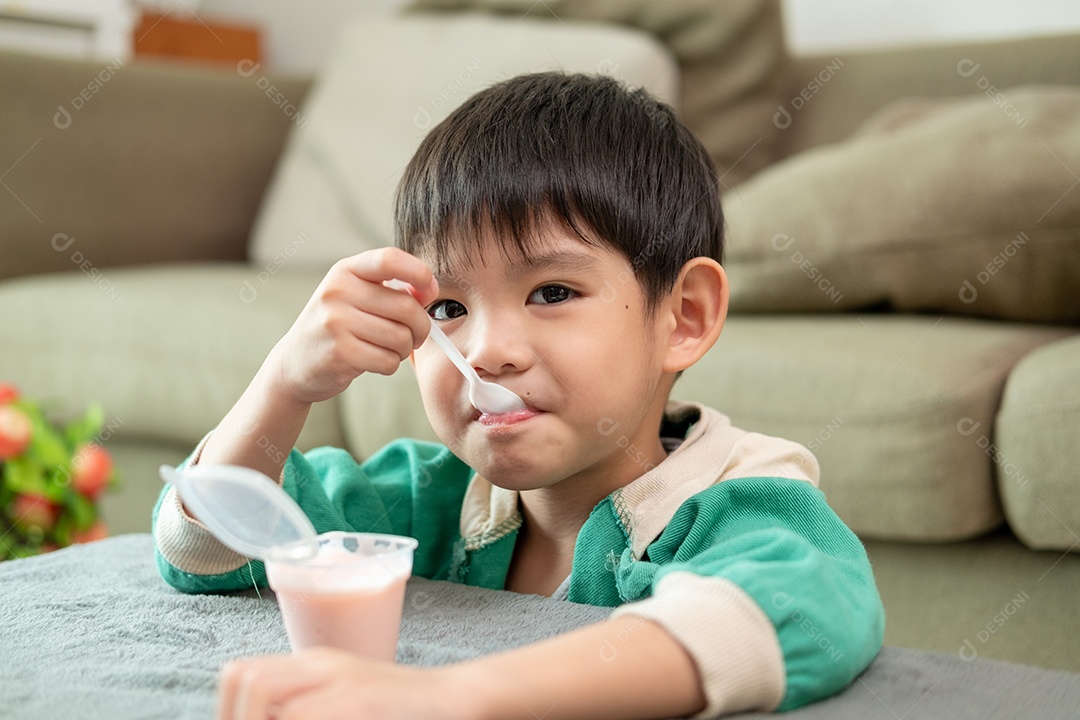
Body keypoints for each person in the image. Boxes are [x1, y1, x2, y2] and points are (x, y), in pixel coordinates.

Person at [153, 71, 884, 720]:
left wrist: (445, 696)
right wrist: (283, 382)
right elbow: (205, 549)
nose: (485, 351)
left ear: (683, 317)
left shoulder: (744, 500)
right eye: (447, 309)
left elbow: (764, 619)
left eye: (553, 291)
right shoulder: (421, 499)